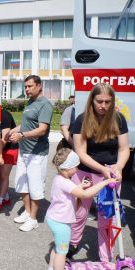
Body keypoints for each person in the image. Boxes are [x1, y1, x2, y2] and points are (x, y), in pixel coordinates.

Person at [68, 83, 130, 262]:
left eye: (108, 102)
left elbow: (124, 148)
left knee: (106, 217)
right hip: (85, 173)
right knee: (80, 213)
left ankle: (106, 257)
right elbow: (81, 152)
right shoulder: (81, 119)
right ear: (92, 101)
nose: (103, 106)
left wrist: (118, 167)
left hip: (110, 174)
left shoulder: (118, 119)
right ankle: (72, 243)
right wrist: (102, 169)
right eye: (99, 101)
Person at [46, 147, 118, 270]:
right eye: (76, 167)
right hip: (61, 223)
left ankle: (51, 267)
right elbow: (85, 195)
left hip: (53, 219)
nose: (77, 169)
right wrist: (106, 182)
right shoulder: (66, 182)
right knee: (62, 252)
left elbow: (70, 191)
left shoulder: (59, 178)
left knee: (57, 247)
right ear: (68, 168)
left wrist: (81, 185)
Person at [8, 75, 53, 232]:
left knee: (35, 187)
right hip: (24, 151)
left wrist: (22, 135)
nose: (26, 89)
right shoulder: (30, 102)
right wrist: (13, 131)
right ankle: (27, 212)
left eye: (29, 86)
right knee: (22, 185)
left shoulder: (45, 104)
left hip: (37, 153)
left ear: (39, 86)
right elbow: (26, 124)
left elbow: (42, 129)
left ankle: (33, 219)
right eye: (25, 86)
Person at [0, 109, 19, 213]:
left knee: (4, 176)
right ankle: (6, 197)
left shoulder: (4, 114)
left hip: (10, 148)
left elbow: (5, 138)